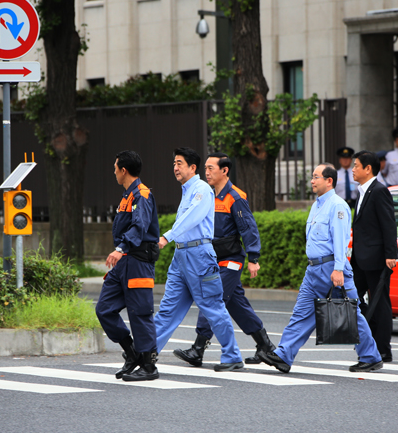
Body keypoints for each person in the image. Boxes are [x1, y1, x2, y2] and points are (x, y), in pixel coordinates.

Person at [258, 163, 383, 374]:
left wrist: (338, 269)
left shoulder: (338, 206)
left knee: (350, 313)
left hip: (331, 268)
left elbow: (341, 241)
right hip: (314, 270)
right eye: (312, 176)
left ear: (329, 181)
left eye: (316, 177)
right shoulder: (317, 205)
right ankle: (283, 355)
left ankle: (370, 356)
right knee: (301, 313)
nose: (312, 181)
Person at [173, 152, 274, 367]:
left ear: (224, 170)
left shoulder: (235, 197)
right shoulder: (208, 194)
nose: (206, 172)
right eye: (206, 168)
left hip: (230, 261)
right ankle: (265, 346)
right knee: (237, 305)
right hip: (212, 259)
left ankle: (198, 349)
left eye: (211, 168)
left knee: (210, 300)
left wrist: (253, 257)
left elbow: (248, 228)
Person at [155, 147, 243, 372]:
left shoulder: (202, 189)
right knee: (168, 308)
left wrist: (167, 236)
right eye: (174, 163)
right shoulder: (187, 190)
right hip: (181, 255)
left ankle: (232, 355)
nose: (175, 167)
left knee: (212, 306)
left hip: (199, 255)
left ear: (192, 168)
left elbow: (191, 218)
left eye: (179, 163)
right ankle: (146, 350)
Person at [95, 151, 160, 382]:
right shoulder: (127, 196)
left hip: (138, 262)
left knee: (140, 313)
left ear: (123, 170)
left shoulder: (142, 194)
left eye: (115, 167)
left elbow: (139, 227)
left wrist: (120, 248)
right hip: (124, 263)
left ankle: (149, 365)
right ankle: (132, 353)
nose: (113, 171)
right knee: (104, 309)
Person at [351, 150, 398, 362]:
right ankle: (370, 333)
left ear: (368, 169)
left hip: (376, 257)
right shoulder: (361, 192)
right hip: (360, 258)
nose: (352, 169)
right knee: (352, 297)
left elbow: (388, 224)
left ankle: (384, 349)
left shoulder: (379, 191)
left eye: (356, 166)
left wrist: (391, 254)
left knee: (380, 302)